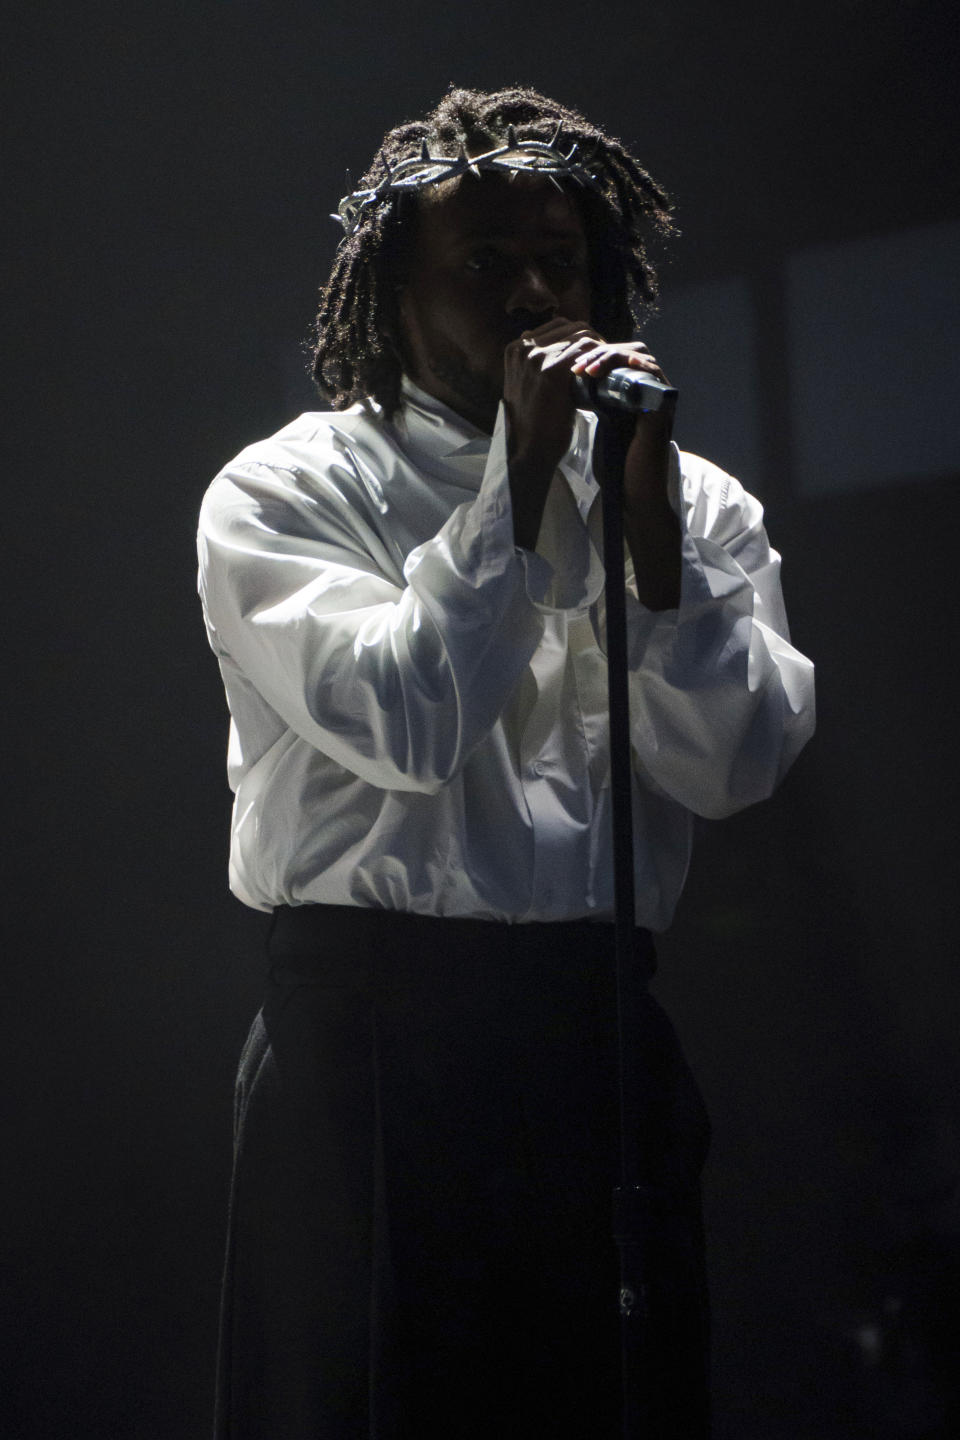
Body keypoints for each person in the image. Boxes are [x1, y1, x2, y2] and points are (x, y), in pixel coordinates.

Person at [197, 86, 815, 1439]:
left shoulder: (690, 495)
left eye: (563, 263)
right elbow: (409, 725)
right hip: (372, 1040)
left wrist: (658, 562)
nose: (538, 298)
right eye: (487, 267)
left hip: (593, 1031)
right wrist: (518, 486)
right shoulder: (289, 489)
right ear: (394, 290)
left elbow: (740, 764)